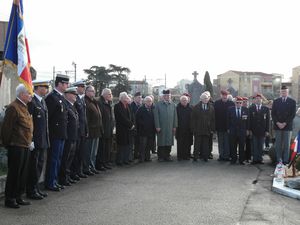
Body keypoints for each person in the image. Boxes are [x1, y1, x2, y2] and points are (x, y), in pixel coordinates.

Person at [1, 84, 33, 208]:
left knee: (22, 173)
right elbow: (6, 128)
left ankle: (18, 196)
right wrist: (7, 144)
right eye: (28, 93)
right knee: (14, 173)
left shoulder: (24, 107)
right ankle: (10, 198)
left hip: (25, 144)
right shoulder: (13, 107)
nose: (30, 96)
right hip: (16, 145)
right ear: (21, 94)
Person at [45, 74, 69, 191]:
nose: (67, 85)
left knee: (58, 158)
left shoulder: (61, 97)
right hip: (55, 134)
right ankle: (50, 182)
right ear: (59, 84)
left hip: (61, 133)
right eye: (65, 83)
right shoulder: (51, 97)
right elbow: (49, 118)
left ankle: (55, 180)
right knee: (53, 159)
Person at [26, 80, 50, 200]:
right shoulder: (32, 102)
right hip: (35, 140)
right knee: (33, 166)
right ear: (37, 87)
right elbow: (29, 122)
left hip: (42, 140)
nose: (46, 89)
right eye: (44, 87)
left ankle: (36, 188)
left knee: (39, 165)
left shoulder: (42, 101)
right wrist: (30, 139)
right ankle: (31, 190)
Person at [59, 87, 79, 186]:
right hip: (68, 137)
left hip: (74, 137)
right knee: (65, 159)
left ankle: (67, 176)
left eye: (76, 94)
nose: (75, 96)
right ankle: (63, 178)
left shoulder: (72, 105)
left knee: (70, 158)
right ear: (67, 94)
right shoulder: (66, 105)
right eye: (73, 94)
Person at [272, 86, 296, 164]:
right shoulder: (276, 101)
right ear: (280, 92)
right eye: (282, 92)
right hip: (278, 126)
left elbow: (292, 115)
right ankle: (278, 160)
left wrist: (285, 123)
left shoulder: (292, 101)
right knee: (278, 144)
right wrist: (278, 123)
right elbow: (273, 114)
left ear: (288, 92)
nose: (283, 93)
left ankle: (285, 160)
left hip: (287, 126)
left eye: (285, 91)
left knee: (286, 144)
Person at [70, 80, 88, 180]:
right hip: (77, 131)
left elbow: (84, 118)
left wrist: (86, 129)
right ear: (76, 88)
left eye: (83, 86)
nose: (83, 88)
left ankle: (78, 171)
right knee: (75, 154)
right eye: (81, 86)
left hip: (82, 130)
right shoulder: (76, 100)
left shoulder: (82, 100)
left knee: (81, 153)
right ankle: (74, 173)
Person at [153, 90, 178, 162]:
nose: (167, 97)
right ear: (163, 96)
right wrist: (157, 126)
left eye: (169, 96)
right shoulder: (158, 104)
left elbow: (175, 116)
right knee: (161, 142)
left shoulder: (173, 105)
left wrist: (174, 126)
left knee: (169, 142)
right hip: (161, 127)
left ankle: (167, 156)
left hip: (170, 127)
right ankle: (160, 156)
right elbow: (156, 116)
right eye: (166, 96)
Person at [84, 85, 103, 175]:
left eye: (94, 91)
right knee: (89, 151)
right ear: (86, 92)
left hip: (97, 131)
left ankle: (92, 166)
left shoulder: (94, 102)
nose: (93, 93)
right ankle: (88, 168)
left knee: (94, 152)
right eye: (91, 91)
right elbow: (86, 119)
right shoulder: (86, 102)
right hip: (91, 131)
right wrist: (87, 130)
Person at [191, 93, 215, 162]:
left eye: (207, 98)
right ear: (201, 99)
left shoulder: (211, 107)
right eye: (204, 98)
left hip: (207, 129)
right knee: (197, 144)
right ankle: (195, 156)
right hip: (198, 129)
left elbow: (213, 119)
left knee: (206, 144)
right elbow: (193, 119)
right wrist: (193, 129)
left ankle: (205, 157)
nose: (205, 99)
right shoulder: (196, 107)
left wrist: (212, 129)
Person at [227, 96, 249, 165]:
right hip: (233, 131)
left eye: (240, 103)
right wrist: (228, 129)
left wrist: (247, 129)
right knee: (233, 146)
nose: (238, 104)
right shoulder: (230, 109)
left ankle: (241, 160)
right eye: (237, 103)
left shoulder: (246, 110)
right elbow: (227, 120)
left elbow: (248, 121)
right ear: (235, 103)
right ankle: (233, 159)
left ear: (242, 103)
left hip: (242, 131)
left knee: (242, 146)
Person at [114, 92, 135, 165]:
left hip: (129, 129)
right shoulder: (117, 106)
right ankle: (120, 160)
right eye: (126, 97)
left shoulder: (128, 105)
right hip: (121, 129)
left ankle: (126, 159)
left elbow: (132, 116)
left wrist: (132, 124)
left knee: (127, 145)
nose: (127, 99)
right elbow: (121, 117)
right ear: (122, 98)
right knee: (121, 146)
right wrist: (130, 124)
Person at [249, 94, 270, 164]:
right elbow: (250, 120)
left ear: (262, 100)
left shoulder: (266, 109)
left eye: (259, 98)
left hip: (262, 131)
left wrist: (267, 130)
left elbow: (268, 121)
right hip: (254, 131)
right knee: (254, 145)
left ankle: (260, 159)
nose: (258, 100)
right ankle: (255, 159)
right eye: (257, 98)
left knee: (261, 145)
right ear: (255, 100)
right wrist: (250, 130)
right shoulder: (251, 108)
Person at [214, 90, 234, 161]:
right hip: (219, 126)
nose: (224, 96)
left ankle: (226, 156)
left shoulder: (231, 103)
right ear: (221, 95)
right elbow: (214, 116)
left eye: (225, 95)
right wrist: (215, 127)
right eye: (223, 95)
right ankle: (221, 156)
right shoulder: (216, 103)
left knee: (227, 142)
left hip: (228, 127)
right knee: (220, 142)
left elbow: (233, 116)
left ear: (227, 96)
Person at [96, 88, 114, 170]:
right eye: (109, 94)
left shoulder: (109, 103)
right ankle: (100, 164)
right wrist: (102, 129)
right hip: (103, 130)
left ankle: (106, 162)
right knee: (102, 149)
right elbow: (100, 118)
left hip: (109, 130)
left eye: (111, 94)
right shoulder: (100, 103)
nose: (111, 96)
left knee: (107, 148)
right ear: (104, 95)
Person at [135, 96, 156, 162]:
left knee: (148, 145)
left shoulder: (153, 109)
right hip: (143, 131)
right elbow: (137, 119)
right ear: (144, 102)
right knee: (142, 145)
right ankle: (141, 158)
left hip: (150, 131)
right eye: (148, 101)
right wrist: (144, 124)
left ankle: (147, 157)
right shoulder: (141, 109)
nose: (149, 103)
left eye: (150, 101)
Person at [176, 95, 193, 160]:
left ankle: (187, 155)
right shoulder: (177, 108)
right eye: (183, 100)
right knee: (180, 143)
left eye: (185, 100)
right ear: (180, 101)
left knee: (187, 143)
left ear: (187, 101)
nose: (184, 101)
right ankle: (180, 156)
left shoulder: (191, 108)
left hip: (188, 129)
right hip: (179, 129)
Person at [130, 92, 143, 160]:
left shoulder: (140, 105)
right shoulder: (131, 105)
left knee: (138, 142)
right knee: (133, 142)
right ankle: (133, 155)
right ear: (134, 98)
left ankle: (137, 154)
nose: (140, 99)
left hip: (140, 127)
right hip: (134, 126)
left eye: (141, 98)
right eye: (139, 98)